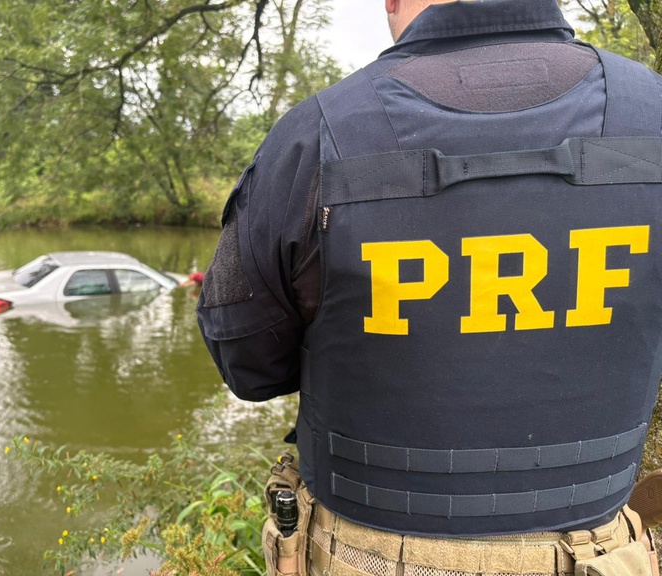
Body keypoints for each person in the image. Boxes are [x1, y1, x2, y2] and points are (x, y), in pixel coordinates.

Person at [197, 0, 662, 574]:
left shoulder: (314, 135)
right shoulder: (653, 110)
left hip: (362, 555)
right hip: (597, 554)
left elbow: (246, 362)